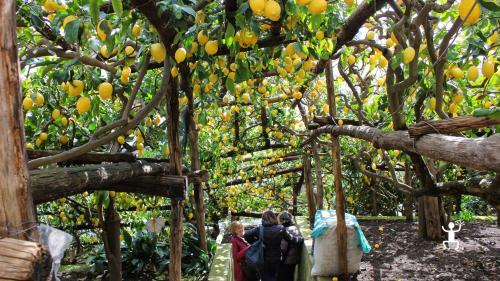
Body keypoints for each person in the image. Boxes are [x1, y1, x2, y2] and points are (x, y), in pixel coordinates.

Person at [244, 210, 304, 281]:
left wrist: (256, 242)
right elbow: (292, 240)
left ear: (263, 219)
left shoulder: (260, 228)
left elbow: (246, 235)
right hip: (276, 257)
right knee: (274, 277)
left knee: (265, 278)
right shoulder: (281, 228)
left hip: (262, 257)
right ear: (274, 218)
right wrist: (302, 239)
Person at [277, 211, 303, 281]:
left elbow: (283, 248)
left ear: (282, 220)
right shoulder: (294, 228)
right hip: (293, 259)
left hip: (287, 260)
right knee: (289, 277)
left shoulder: (285, 230)